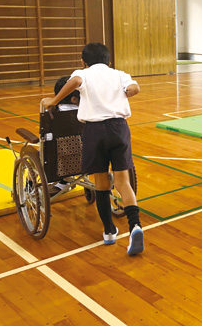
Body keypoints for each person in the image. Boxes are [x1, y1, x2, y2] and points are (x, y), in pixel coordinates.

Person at [42, 43, 144, 256]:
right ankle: (135, 225)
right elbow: (134, 88)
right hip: (119, 128)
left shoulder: (83, 73)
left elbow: (76, 81)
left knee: (101, 183)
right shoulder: (119, 74)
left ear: (83, 62)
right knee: (123, 182)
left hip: (94, 131)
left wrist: (53, 100)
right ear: (109, 61)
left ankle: (108, 231)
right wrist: (127, 92)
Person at [50, 76, 81, 197]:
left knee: (39, 151)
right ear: (74, 99)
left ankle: (29, 186)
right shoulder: (87, 112)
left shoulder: (53, 114)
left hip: (59, 158)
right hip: (87, 157)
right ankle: (64, 181)